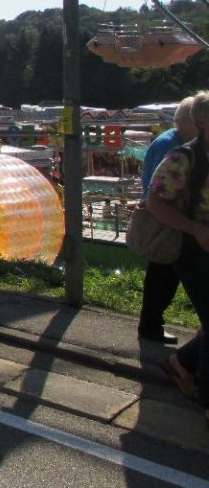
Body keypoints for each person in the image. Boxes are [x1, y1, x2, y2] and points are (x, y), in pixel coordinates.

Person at [146, 90, 209, 429]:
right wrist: (195, 229)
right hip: (194, 251)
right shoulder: (182, 158)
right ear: (202, 120)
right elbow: (155, 202)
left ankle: (180, 363)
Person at [138, 96, 197, 344]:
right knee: (163, 275)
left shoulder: (170, 141)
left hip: (169, 219)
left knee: (165, 275)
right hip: (167, 221)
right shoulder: (173, 148)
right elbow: (159, 189)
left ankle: (151, 325)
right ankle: (151, 326)